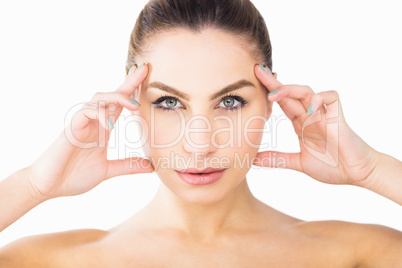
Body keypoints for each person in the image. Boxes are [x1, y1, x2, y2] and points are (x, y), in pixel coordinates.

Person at [1, 0, 401, 266]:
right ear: (131, 103)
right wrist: (33, 185)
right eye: (169, 103)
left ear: (270, 102)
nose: (200, 143)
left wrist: (372, 170)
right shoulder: (48, 261)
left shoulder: (354, 255)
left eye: (229, 102)